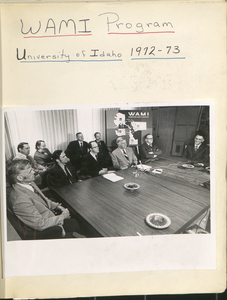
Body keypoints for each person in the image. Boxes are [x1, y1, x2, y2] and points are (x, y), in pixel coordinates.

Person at [7, 159, 84, 239]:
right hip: (50, 227)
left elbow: (43, 200)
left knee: (78, 213)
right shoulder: (20, 201)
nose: (34, 172)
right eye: (30, 171)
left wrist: (57, 206)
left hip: (51, 215)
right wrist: (63, 216)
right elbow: (40, 224)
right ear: (19, 177)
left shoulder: (30, 183)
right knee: (80, 221)